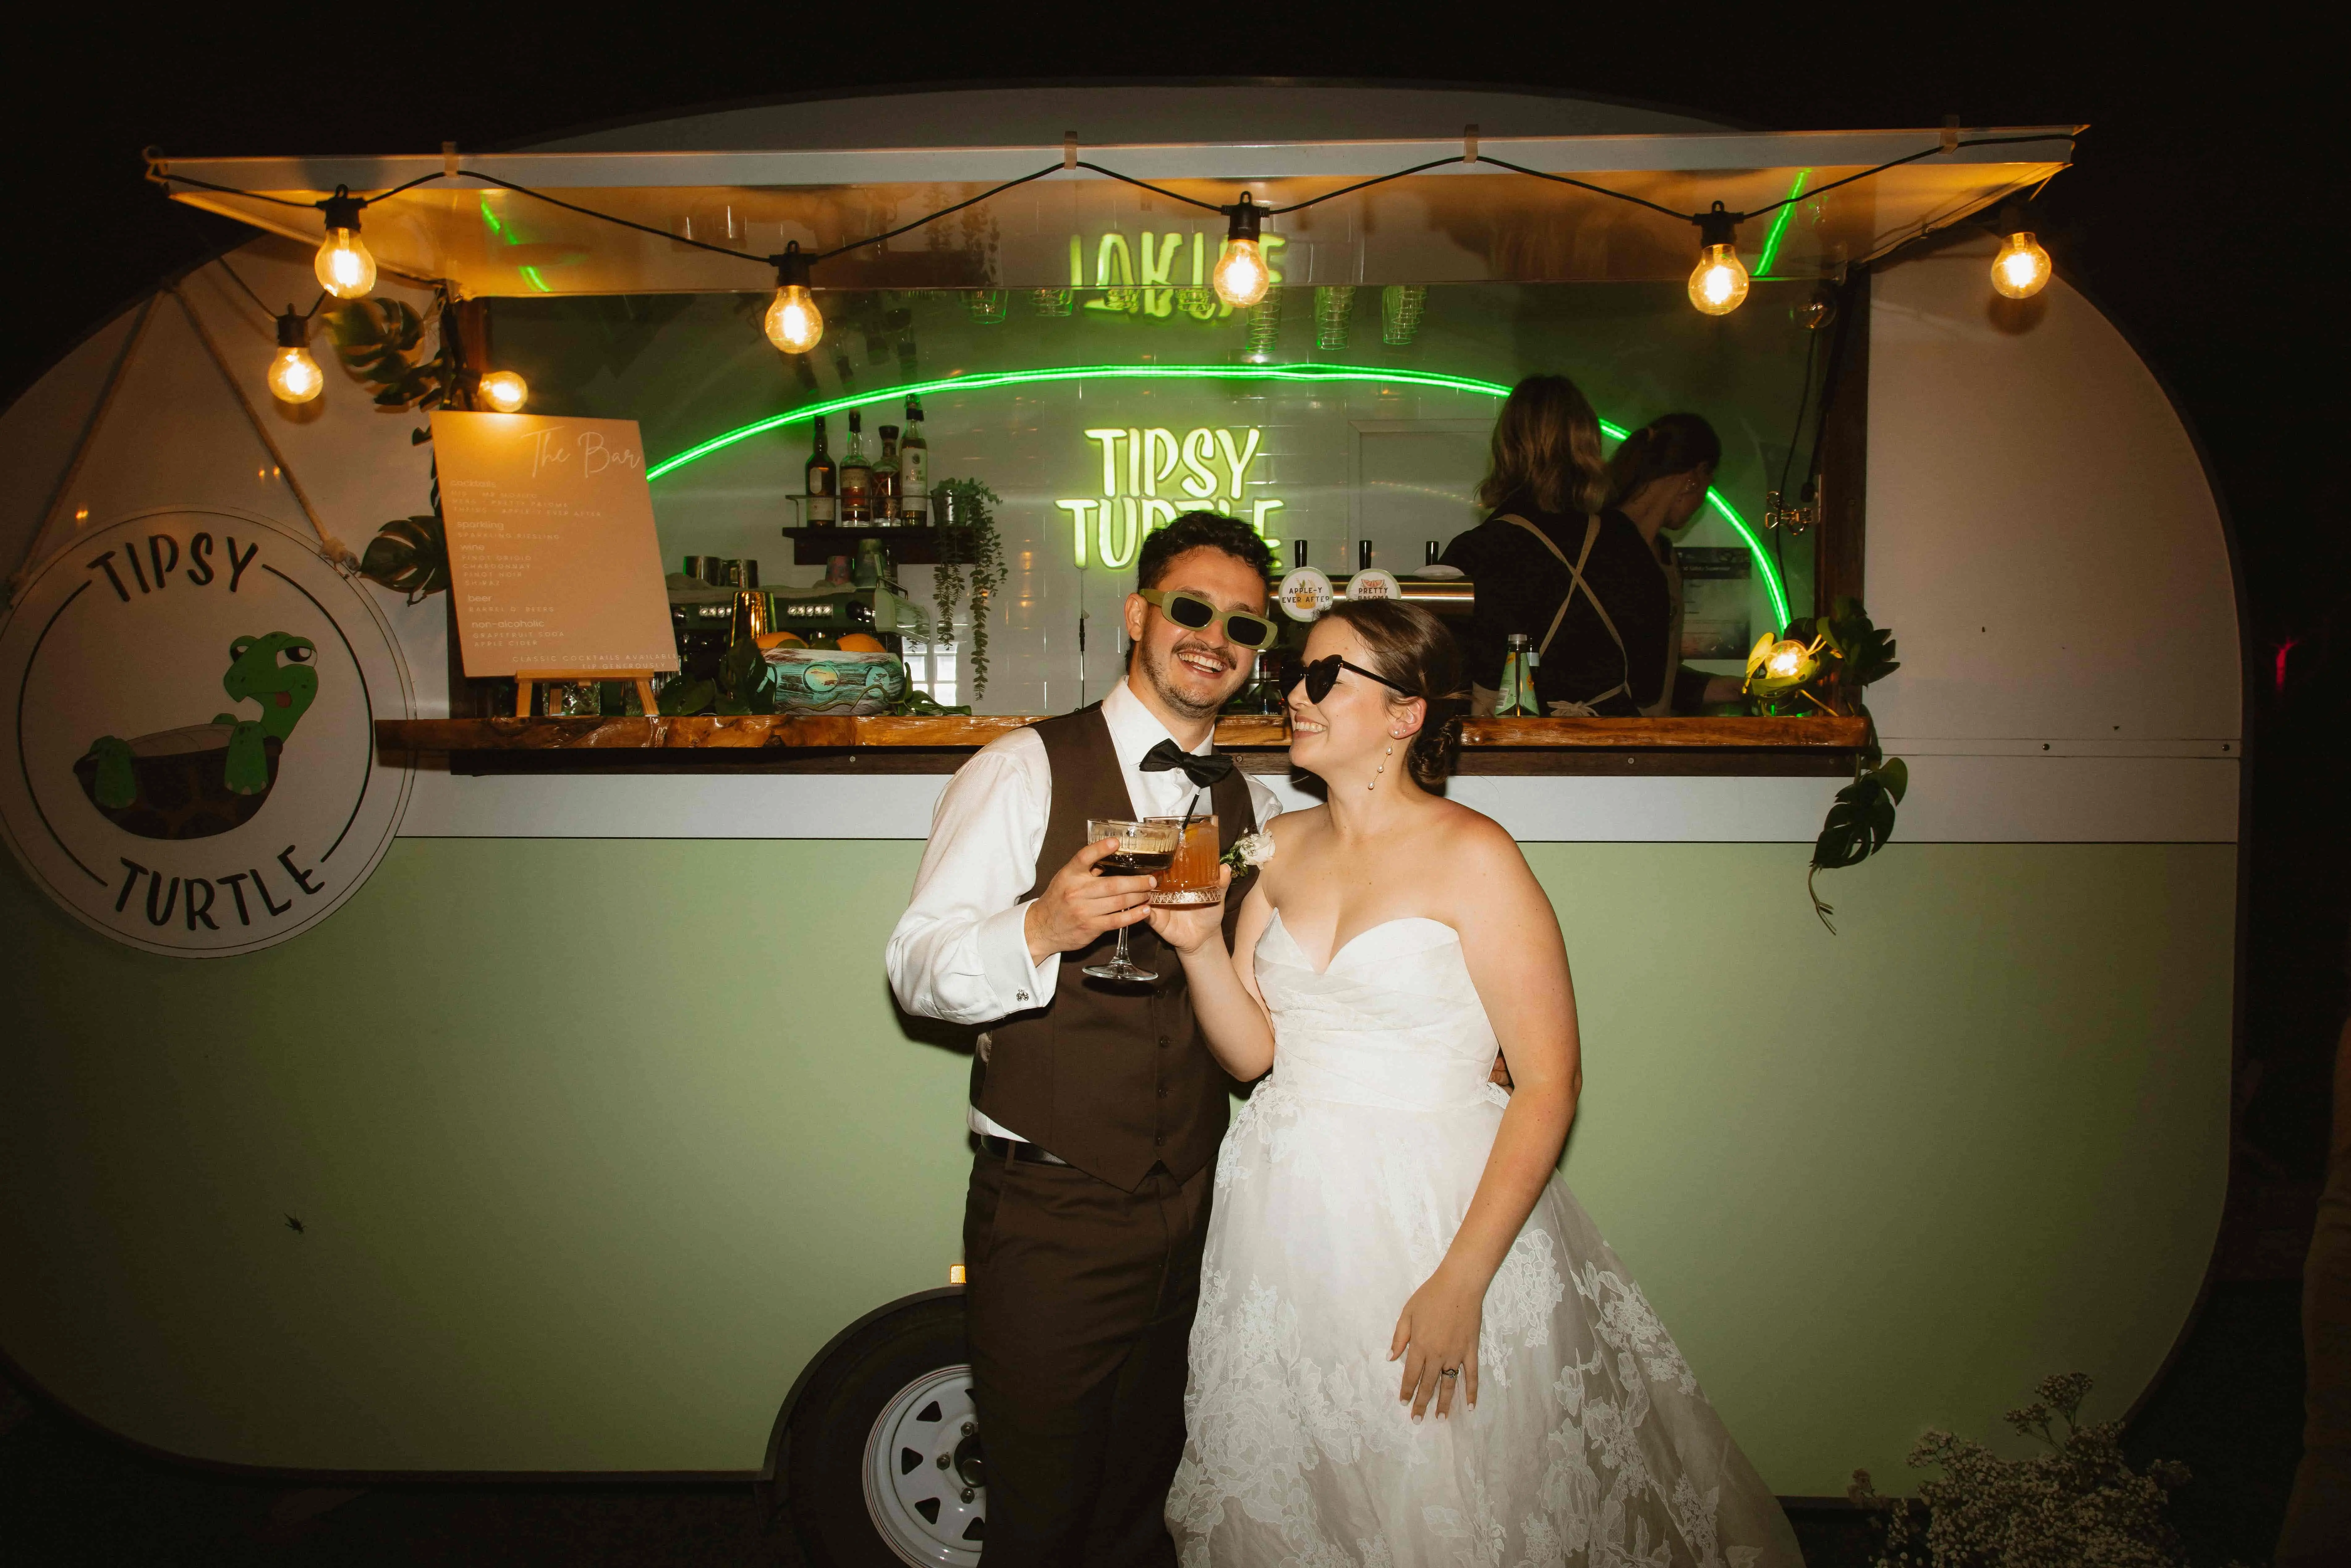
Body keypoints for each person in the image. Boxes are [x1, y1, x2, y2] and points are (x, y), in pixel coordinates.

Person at [1150, 598, 1802, 1566]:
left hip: (1432, 1206)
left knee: (1441, 1483)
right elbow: (1253, 1054)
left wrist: (1463, 1278)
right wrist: (1201, 948)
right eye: (1297, 672)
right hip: (1285, 1211)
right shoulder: (1277, 848)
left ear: (1406, 714)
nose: (1294, 692)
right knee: (1304, 1477)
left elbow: (1549, 1080)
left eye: (1326, 677)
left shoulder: (1477, 854)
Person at [886, 510, 1285, 1567]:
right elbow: (914, 968)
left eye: (1242, 626)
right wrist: (1041, 928)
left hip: (1191, 1207)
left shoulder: (1256, 799)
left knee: (1139, 1509)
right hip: (1051, 1207)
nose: (1214, 638)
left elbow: (1276, 986)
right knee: (1039, 1517)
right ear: (1139, 615)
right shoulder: (1021, 770)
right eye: (1191, 609)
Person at [1442, 381, 1731, 716]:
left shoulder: (1477, 551)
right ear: (1590, 445)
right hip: (1612, 748)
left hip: (1516, 752)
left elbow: (1450, 685)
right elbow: (1648, 685)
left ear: (1506, 448)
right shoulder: (1629, 545)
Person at [1604, 413, 1746, 714]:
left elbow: (1653, 672)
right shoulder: (1597, 547)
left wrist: (1717, 688)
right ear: (1694, 477)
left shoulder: (1665, 558)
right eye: (1708, 485)